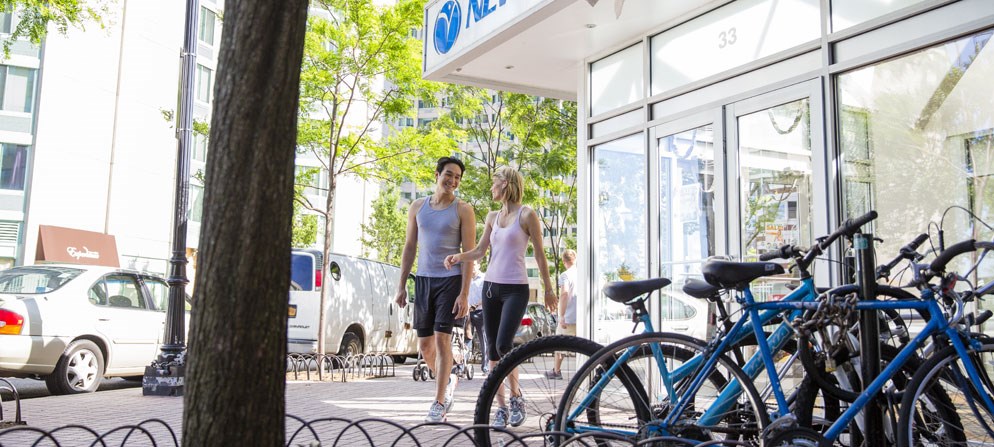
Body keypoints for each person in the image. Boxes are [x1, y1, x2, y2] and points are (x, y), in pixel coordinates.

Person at [444, 165, 557, 429]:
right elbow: (480, 251)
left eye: (494, 182)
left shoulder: (527, 215)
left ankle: (517, 398)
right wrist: (459, 256)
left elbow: (540, 254)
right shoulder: (492, 216)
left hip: (516, 289)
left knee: (505, 346)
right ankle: (501, 407)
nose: (491, 187)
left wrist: (549, 288)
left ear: (505, 183)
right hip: (490, 289)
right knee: (492, 352)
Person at [395, 156, 476, 423]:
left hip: (450, 280)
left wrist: (464, 293)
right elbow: (410, 247)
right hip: (423, 280)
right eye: (449, 175)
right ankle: (448, 378)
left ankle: (439, 402)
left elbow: (469, 254)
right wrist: (402, 285)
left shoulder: (463, 209)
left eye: (458, 177)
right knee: (425, 346)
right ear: (437, 174)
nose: (453, 181)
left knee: (442, 340)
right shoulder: (418, 207)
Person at [546, 249, 577, 380]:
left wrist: (562, 315)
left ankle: (556, 371)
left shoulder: (565, 275)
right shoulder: (583, 274)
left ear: (564, 261)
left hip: (569, 317)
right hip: (582, 317)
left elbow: (564, 294)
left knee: (559, 345)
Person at [466, 262, 487, 373]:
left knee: (483, 340)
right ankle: (462, 365)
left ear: (478, 265)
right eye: (470, 265)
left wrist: (475, 305)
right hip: (467, 313)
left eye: (474, 264)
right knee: (466, 339)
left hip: (480, 312)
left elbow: (487, 295)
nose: (472, 267)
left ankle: (485, 367)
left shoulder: (484, 278)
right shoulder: (466, 278)